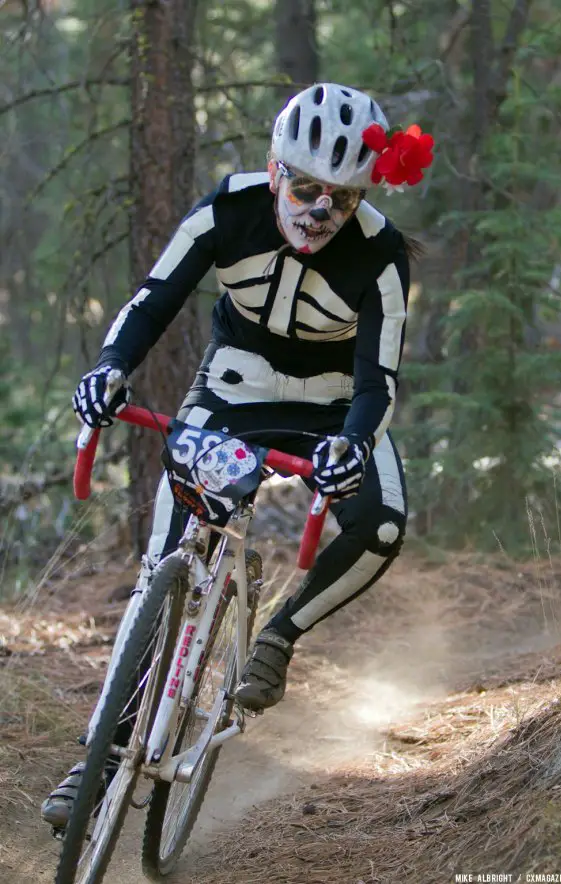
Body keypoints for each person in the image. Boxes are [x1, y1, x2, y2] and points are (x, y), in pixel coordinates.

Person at [41, 83, 434, 828]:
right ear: (274, 168)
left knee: (381, 523)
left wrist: (351, 445)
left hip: (330, 410)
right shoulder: (229, 206)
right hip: (234, 392)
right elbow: (154, 297)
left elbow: (377, 381)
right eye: (306, 187)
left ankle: (279, 638)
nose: (320, 212)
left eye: (342, 200)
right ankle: (96, 758)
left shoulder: (381, 252)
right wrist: (108, 368)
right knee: (161, 570)